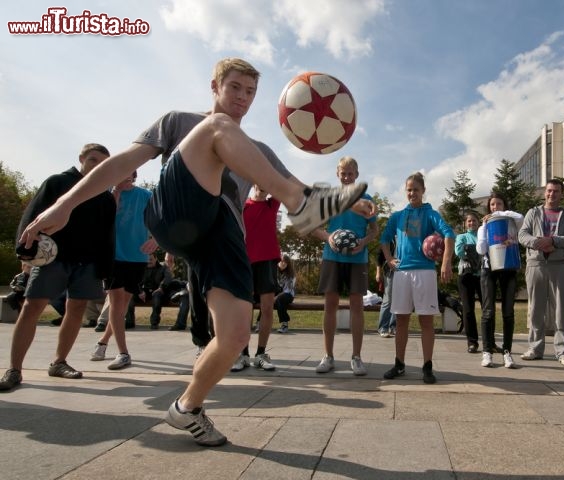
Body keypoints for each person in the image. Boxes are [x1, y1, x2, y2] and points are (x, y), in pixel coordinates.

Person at [16, 58, 369, 447]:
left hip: (221, 236)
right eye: (234, 87)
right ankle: (303, 204)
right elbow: (123, 163)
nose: (242, 98)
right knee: (219, 128)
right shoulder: (178, 121)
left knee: (234, 336)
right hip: (177, 210)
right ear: (215, 86)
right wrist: (65, 204)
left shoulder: (257, 150)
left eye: (250, 93)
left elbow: (290, 182)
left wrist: (345, 213)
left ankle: (187, 408)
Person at [0, 143, 116, 391]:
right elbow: (32, 216)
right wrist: (26, 252)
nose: (98, 166)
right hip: (52, 258)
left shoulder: (105, 197)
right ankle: (14, 369)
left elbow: (107, 234)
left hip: (87, 262)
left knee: (76, 310)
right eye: (93, 160)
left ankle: (59, 362)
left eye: (103, 163)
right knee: (32, 307)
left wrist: (105, 269)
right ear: (82, 159)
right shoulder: (57, 183)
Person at [381, 172, 455, 384]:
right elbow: (384, 239)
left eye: (416, 189)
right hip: (402, 272)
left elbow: (449, 234)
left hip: (424, 272)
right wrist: (389, 259)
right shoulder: (397, 216)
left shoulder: (430, 214)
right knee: (401, 320)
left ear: (423, 191)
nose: (412, 193)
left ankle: (427, 366)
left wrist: (446, 261)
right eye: (409, 189)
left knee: (426, 321)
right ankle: (399, 364)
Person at [314, 156, 378, 376]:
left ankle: (356, 357)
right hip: (332, 257)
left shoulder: (366, 199)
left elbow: (374, 231)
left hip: (357, 259)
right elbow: (314, 227)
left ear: (357, 175)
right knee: (330, 304)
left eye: (351, 173)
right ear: (337, 173)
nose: (347, 176)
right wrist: (328, 237)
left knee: (356, 305)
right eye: (343, 173)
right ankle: (328, 356)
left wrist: (363, 242)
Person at [90, 171, 156, 370]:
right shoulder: (107, 196)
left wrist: (156, 240)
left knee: (121, 307)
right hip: (113, 256)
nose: (125, 176)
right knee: (117, 303)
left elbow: (160, 219)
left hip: (137, 256)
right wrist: (116, 192)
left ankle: (102, 343)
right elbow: (105, 221)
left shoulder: (146, 196)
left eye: (129, 172)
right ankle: (123, 353)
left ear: (134, 175)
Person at [518, 179, 564, 367]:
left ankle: (563, 351)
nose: (552, 194)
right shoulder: (533, 212)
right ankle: (535, 348)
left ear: (562, 194)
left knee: (561, 309)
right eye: (549, 191)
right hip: (536, 264)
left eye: (556, 191)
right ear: (545, 193)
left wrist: (553, 241)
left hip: (559, 265)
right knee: (535, 308)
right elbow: (522, 235)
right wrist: (538, 242)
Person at [230, 185, 281, 372]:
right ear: (252, 184)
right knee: (245, 310)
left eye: (265, 183)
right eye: (258, 182)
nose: (262, 185)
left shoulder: (272, 205)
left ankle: (261, 353)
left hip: (267, 261)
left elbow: (278, 181)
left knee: (267, 308)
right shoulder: (243, 206)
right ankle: (243, 354)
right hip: (245, 262)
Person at [476, 192, 523, 368]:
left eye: (499, 204)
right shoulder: (484, 227)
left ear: (505, 206)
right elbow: (481, 250)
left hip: (508, 267)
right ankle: (487, 351)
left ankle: (507, 352)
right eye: (492, 205)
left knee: (508, 311)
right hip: (489, 269)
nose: (495, 208)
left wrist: (501, 215)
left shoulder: (512, 223)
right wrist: (484, 229)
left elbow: (521, 217)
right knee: (488, 311)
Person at [454, 212, 483, 354]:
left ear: (479, 222)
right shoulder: (461, 237)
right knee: (468, 309)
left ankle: (490, 341)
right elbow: (459, 252)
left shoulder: (484, 235)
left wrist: (471, 250)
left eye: (474, 220)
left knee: (487, 309)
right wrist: (477, 253)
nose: (472, 223)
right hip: (466, 275)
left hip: (483, 275)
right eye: (469, 221)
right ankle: (472, 342)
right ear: (465, 224)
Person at [375, 238, 397, 338]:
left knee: (398, 301)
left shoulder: (406, 236)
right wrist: (378, 272)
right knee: (388, 300)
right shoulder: (388, 238)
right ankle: (383, 328)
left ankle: (393, 327)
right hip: (390, 271)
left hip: (403, 271)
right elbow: (379, 256)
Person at [275, 254, 296, 334]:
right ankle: (259, 322)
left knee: (280, 299)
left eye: (285, 262)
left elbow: (287, 290)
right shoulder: (275, 272)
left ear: (288, 264)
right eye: (281, 261)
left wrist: (276, 297)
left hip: (288, 295)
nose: (282, 263)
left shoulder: (291, 274)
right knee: (266, 299)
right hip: (278, 294)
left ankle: (285, 324)